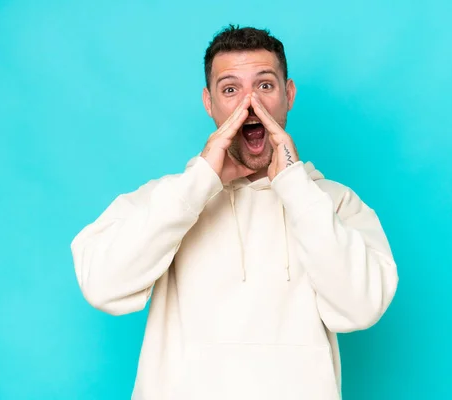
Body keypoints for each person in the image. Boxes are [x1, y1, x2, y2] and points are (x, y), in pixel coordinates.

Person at [71, 24, 398, 400]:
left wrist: (295, 187)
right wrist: (199, 182)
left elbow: (361, 308)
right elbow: (103, 286)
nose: (250, 105)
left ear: (288, 95)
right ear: (209, 103)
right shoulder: (164, 198)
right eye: (231, 89)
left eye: (265, 86)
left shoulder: (335, 202)